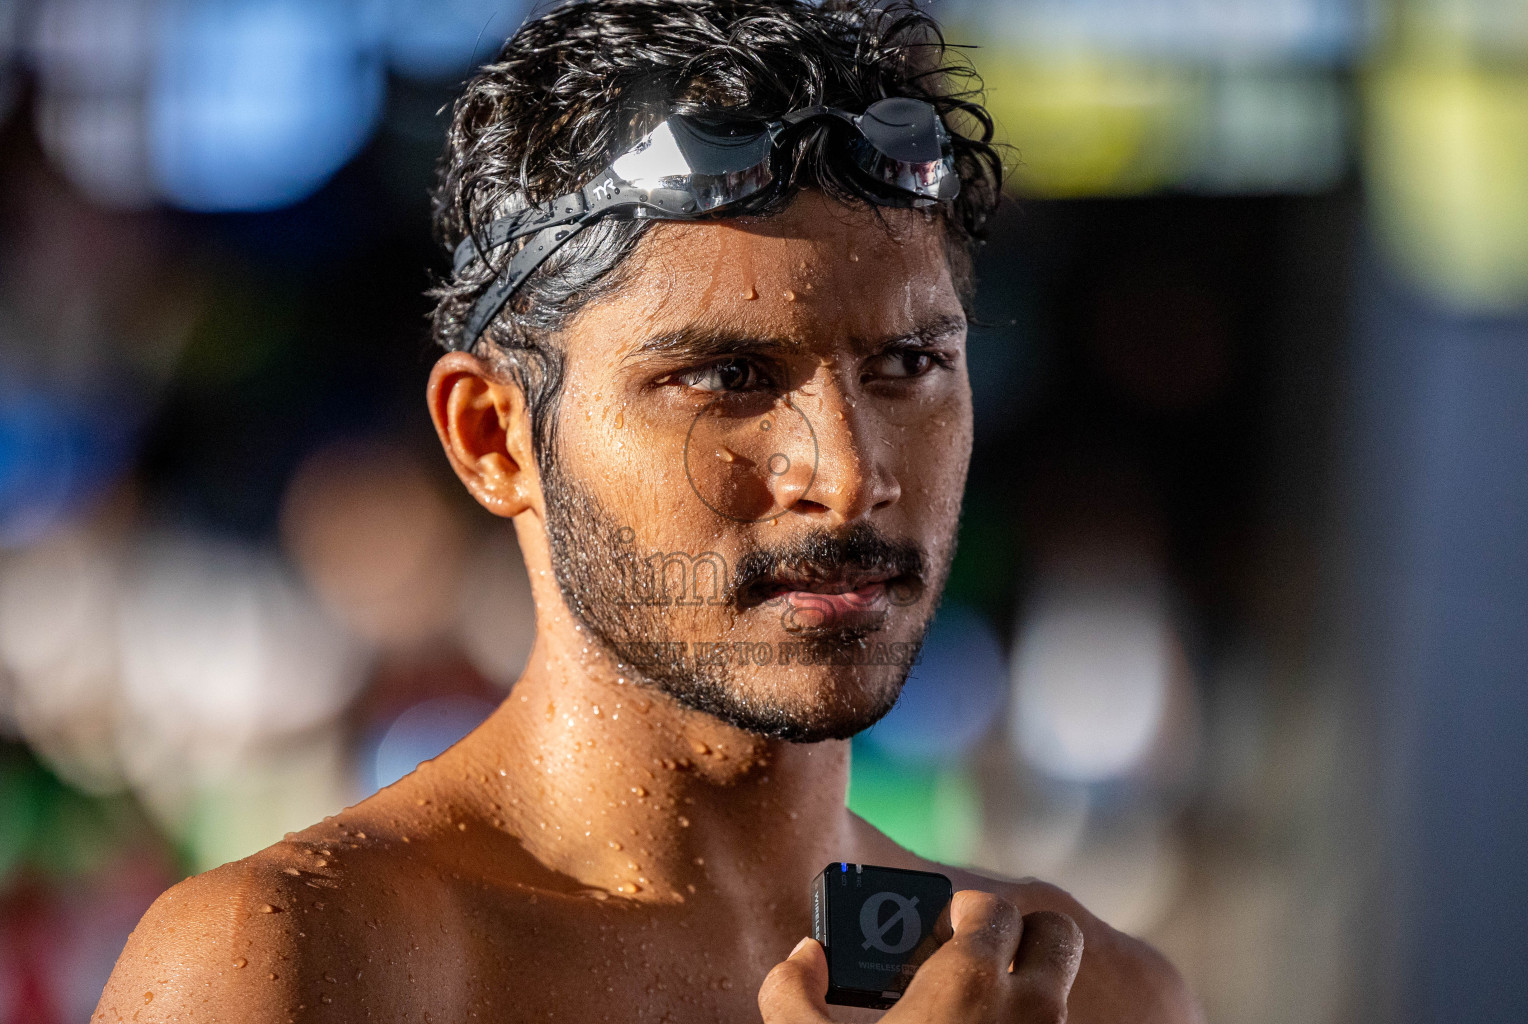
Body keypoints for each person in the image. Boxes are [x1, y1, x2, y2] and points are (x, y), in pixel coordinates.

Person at [97, 2, 1204, 1021]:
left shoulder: (1082, 991)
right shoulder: (296, 964)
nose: (849, 473)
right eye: (725, 376)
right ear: (495, 437)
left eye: (910, 363)